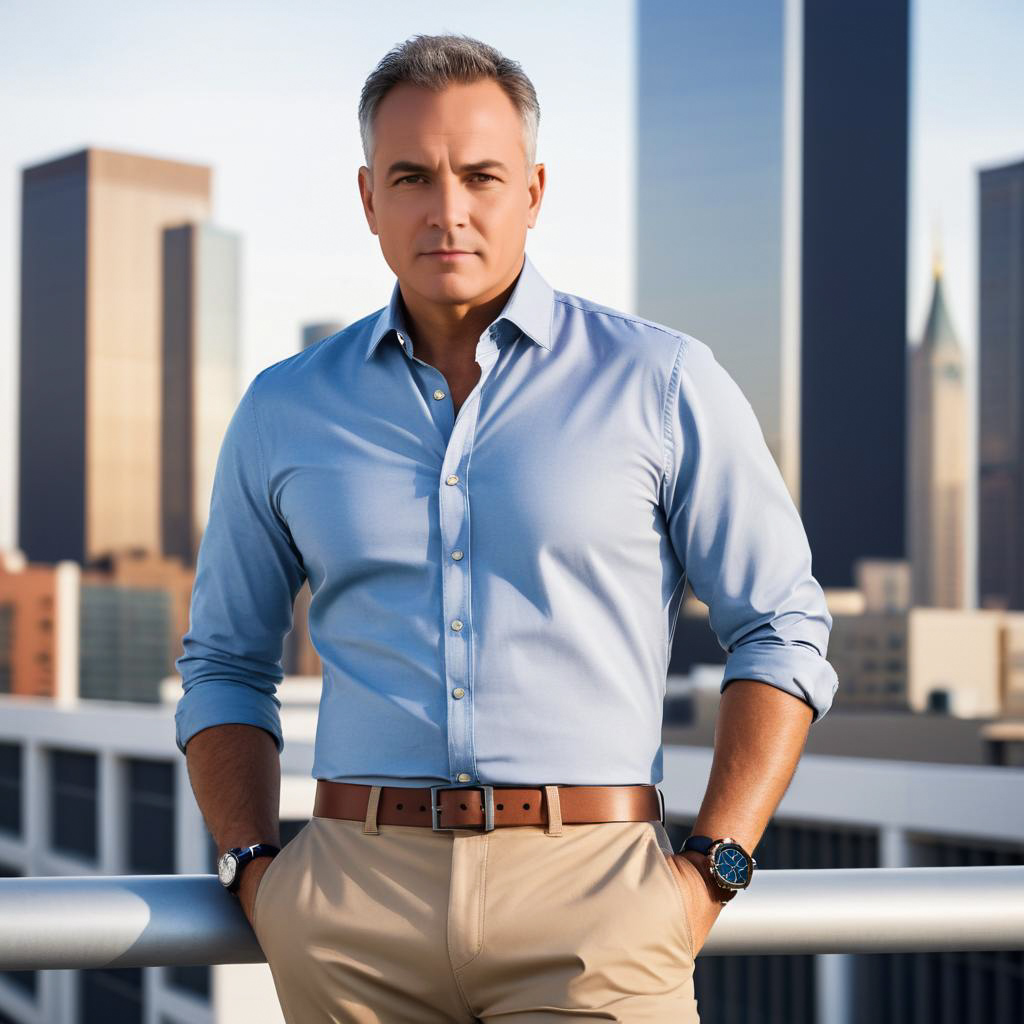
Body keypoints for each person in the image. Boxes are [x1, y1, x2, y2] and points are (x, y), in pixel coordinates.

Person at [174, 31, 838, 1024]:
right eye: (411, 177)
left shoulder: (660, 381)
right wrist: (252, 868)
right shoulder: (283, 407)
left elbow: (781, 626)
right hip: (351, 906)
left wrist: (710, 868)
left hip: (595, 909)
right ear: (368, 199)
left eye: (480, 175)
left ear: (531, 191)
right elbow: (224, 657)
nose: (447, 209)